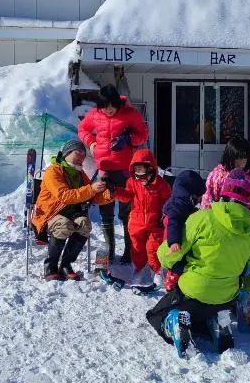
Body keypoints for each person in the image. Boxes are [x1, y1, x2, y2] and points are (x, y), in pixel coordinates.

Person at [146, 168, 250, 357]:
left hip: (193, 293)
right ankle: (216, 322)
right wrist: (245, 284)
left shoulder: (202, 218)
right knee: (203, 313)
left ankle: (176, 324)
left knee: (156, 315)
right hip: (226, 298)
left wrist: (175, 263)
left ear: (223, 193)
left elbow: (167, 256)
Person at [78, 84, 149, 263]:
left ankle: (128, 252)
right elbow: (83, 129)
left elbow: (143, 134)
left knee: (127, 213)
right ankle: (109, 251)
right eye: (104, 106)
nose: (108, 110)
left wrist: (128, 139)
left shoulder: (130, 114)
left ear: (117, 102)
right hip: (104, 168)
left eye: (111, 105)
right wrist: (91, 142)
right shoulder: (95, 114)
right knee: (106, 211)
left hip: (125, 169)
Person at [32, 139, 113, 281]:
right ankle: (50, 265)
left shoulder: (80, 174)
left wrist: (109, 194)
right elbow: (64, 196)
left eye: (83, 154)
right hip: (50, 215)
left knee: (84, 224)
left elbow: (92, 197)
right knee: (63, 225)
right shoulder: (54, 170)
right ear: (66, 153)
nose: (81, 156)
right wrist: (91, 188)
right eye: (78, 152)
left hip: (72, 213)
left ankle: (66, 264)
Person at [113, 149, 172, 287]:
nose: (141, 179)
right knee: (137, 248)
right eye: (137, 173)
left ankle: (157, 272)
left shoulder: (161, 184)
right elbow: (126, 196)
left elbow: (168, 201)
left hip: (155, 222)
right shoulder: (132, 182)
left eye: (144, 174)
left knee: (152, 249)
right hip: (136, 222)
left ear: (151, 169)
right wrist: (115, 191)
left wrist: (164, 215)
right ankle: (139, 269)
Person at [201, 136, 250, 241]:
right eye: (240, 158)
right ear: (230, 157)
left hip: (242, 227)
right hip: (220, 226)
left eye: (245, 157)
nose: (243, 161)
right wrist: (206, 225)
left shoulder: (249, 180)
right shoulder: (217, 176)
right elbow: (207, 201)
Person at [161, 170, 207, 291]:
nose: (199, 201)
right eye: (199, 197)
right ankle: (172, 290)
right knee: (176, 267)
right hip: (173, 243)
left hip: (178, 242)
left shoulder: (183, 201)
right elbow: (174, 221)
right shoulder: (178, 204)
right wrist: (174, 241)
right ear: (192, 194)